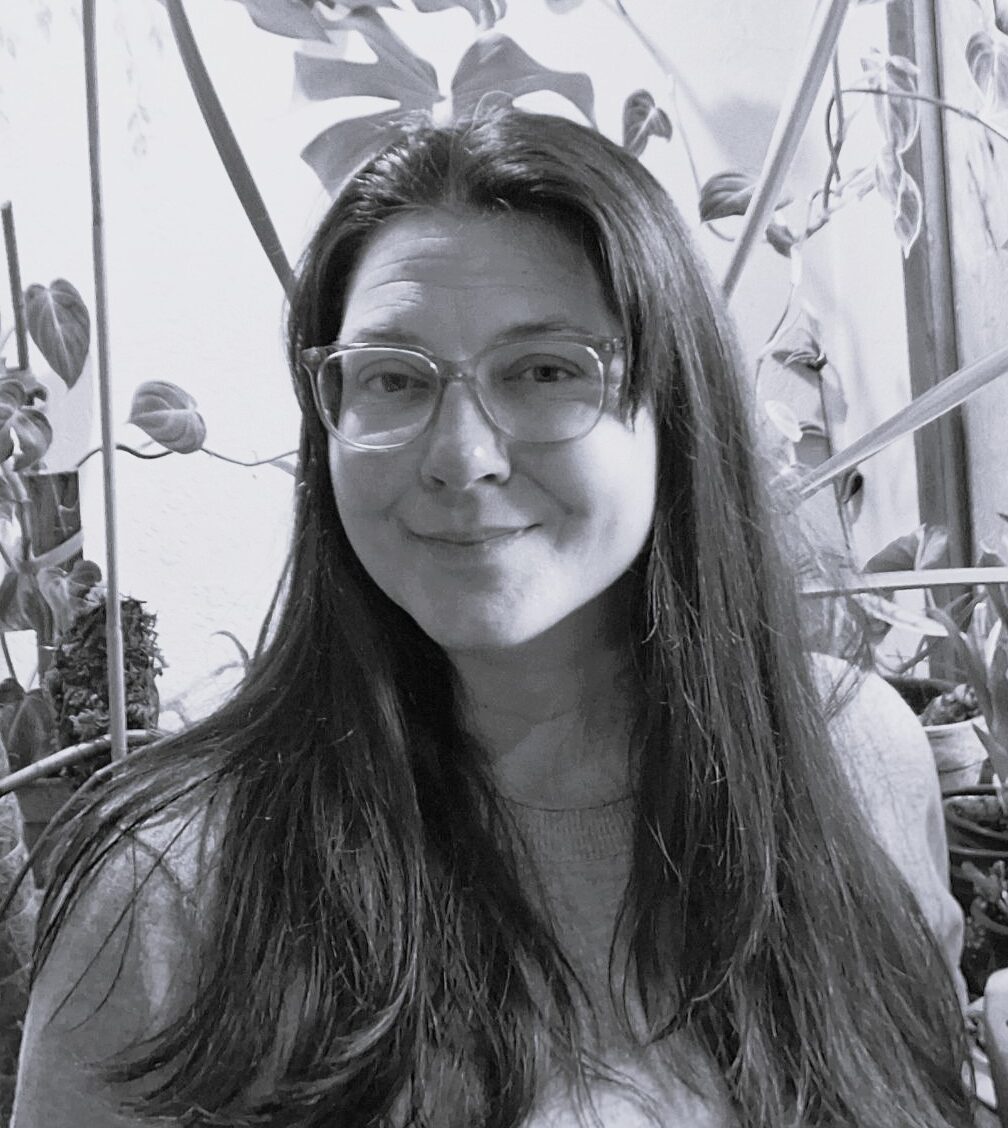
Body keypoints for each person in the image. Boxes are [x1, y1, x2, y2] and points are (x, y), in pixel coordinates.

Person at [11, 110, 975, 1127]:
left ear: (675, 407)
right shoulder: (173, 890)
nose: (461, 456)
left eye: (546, 371)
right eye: (392, 379)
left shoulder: (855, 760)